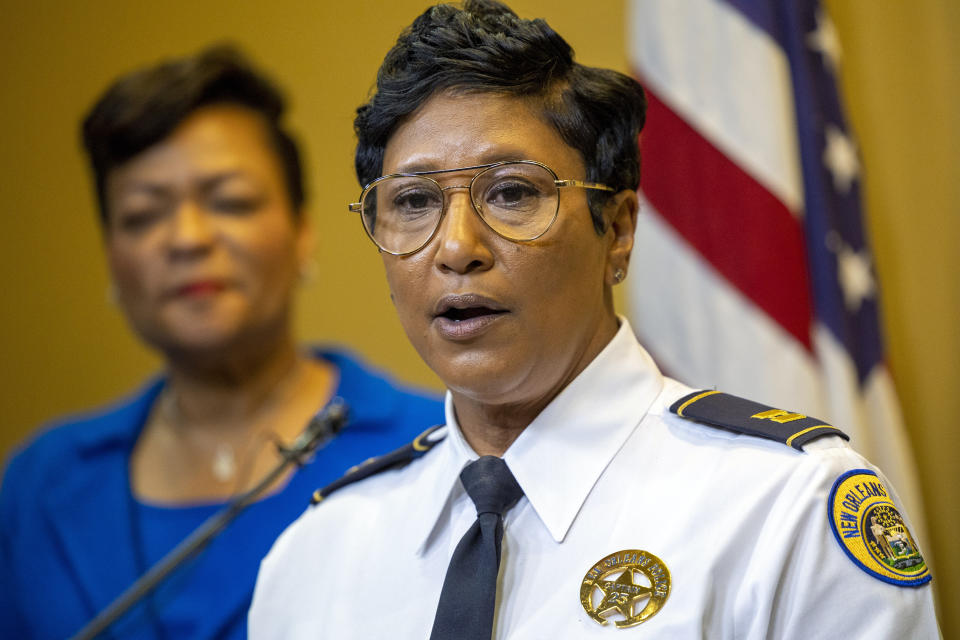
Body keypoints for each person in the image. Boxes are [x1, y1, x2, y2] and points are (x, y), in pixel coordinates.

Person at [249, 1, 940, 638]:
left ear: (618, 230)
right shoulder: (315, 556)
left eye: (512, 192)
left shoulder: (784, 510)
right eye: (413, 202)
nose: (456, 247)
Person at [0, 45, 443, 640]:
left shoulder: (436, 450)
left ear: (303, 232)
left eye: (229, 202)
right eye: (141, 215)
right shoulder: (40, 485)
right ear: (111, 257)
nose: (187, 238)